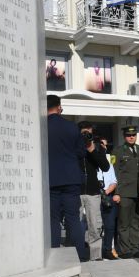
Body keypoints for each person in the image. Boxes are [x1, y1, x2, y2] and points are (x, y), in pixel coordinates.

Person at [46, 95, 86, 261]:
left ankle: (53, 253)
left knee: (53, 220)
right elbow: (81, 152)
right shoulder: (72, 127)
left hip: (51, 179)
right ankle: (80, 255)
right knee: (73, 219)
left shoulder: (41, 127)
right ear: (59, 107)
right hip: (71, 178)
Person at [78, 121, 110, 261]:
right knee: (75, 225)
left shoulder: (96, 147)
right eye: (83, 133)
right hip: (76, 190)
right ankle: (75, 254)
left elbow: (105, 167)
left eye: (88, 133)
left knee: (95, 226)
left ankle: (96, 256)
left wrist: (92, 149)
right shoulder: (73, 146)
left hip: (93, 191)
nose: (86, 136)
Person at [113, 126, 139, 259]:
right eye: (128, 135)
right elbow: (114, 172)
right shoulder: (117, 151)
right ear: (124, 136)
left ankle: (135, 248)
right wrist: (116, 192)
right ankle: (125, 250)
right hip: (124, 192)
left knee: (136, 222)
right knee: (124, 223)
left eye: (133, 135)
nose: (131, 137)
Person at [98, 137, 119, 260]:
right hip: (94, 196)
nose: (102, 147)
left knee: (110, 225)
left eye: (104, 145)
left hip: (107, 195)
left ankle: (107, 250)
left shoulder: (109, 160)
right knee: (92, 226)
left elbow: (114, 180)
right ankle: (94, 251)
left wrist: (106, 192)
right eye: (100, 144)